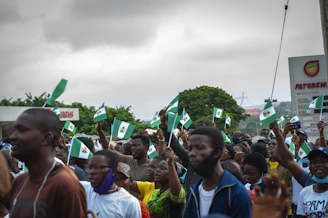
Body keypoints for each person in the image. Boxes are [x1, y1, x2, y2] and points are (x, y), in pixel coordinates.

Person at [6, 108, 87, 218]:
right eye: (14, 130)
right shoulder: (20, 181)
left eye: (22, 130)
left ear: (46, 138)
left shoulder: (67, 185)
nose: (12, 137)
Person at [185, 126, 252, 218]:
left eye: (200, 148)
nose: (192, 153)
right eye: (190, 149)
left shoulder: (236, 193)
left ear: (217, 152)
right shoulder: (192, 192)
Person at [81, 149, 141, 218]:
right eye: (90, 167)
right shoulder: (83, 189)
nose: (91, 172)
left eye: (99, 167)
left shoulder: (130, 203)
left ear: (114, 171)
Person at [147, 147, 186, 218]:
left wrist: (170, 163)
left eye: (163, 168)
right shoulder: (156, 192)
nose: (157, 170)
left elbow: (176, 194)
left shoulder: (175, 192)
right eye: (157, 167)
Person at [296, 147, 328, 217]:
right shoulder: (304, 193)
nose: (318, 165)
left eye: (323, 161)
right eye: (314, 162)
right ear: (310, 167)